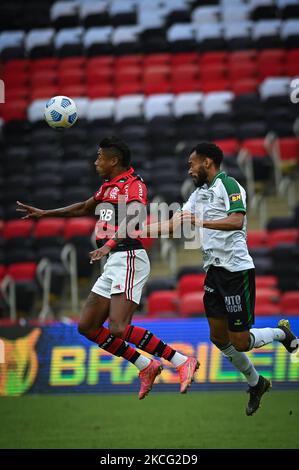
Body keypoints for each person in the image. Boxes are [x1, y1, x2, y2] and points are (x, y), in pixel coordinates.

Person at [16, 136, 199, 399]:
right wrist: (45, 213)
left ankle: (181, 361)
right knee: (88, 326)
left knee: (118, 327)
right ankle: (145, 365)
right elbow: (82, 207)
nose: (96, 162)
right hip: (114, 260)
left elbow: (134, 220)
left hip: (130, 256)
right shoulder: (107, 187)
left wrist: (108, 243)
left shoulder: (134, 185)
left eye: (100, 157)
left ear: (114, 160)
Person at [141, 142, 299, 416]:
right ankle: (256, 382)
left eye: (192, 164)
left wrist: (200, 223)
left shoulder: (230, 186)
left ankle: (281, 333)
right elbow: (173, 224)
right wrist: (134, 231)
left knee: (239, 341)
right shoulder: (198, 195)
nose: (189, 169)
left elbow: (237, 221)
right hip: (214, 272)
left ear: (207, 162)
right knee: (218, 337)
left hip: (236, 272)